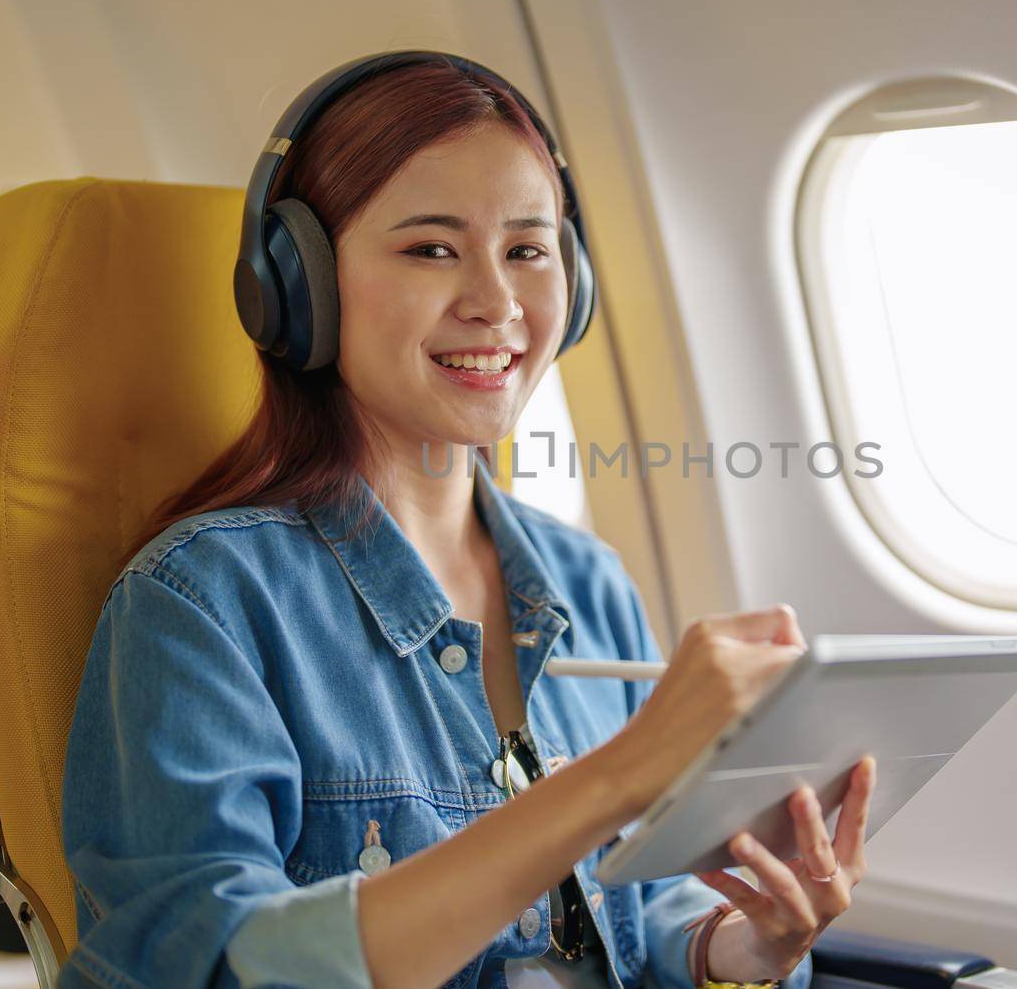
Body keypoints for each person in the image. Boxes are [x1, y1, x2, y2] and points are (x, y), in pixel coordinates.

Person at [58, 51, 878, 989]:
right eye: (431, 248)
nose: (497, 304)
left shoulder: (586, 580)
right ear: (302, 290)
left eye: (527, 250)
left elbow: (647, 904)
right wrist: (613, 777)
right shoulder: (202, 602)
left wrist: (743, 946)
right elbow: (215, 968)